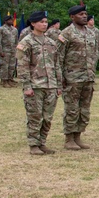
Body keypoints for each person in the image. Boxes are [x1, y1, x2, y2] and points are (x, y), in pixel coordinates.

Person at [16, 11, 62, 155]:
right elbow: (22, 66)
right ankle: (33, 144)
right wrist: (27, 86)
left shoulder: (51, 42)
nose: (44, 24)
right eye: (41, 22)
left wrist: (59, 85)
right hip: (35, 85)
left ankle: (42, 142)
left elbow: (57, 64)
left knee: (47, 117)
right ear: (33, 24)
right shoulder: (26, 42)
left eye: (46, 22)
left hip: (51, 85)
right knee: (35, 116)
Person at [57, 4, 99, 150]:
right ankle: (69, 138)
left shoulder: (93, 33)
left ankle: (78, 136)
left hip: (88, 77)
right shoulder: (66, 33)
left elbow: (96, 53)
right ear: (72, 17)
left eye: (85, 14)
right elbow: (59, 57)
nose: (84, 16)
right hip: (72, 77)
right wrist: (61, 77)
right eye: (80, 14)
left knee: (84, 109)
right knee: (72, 108)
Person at [0, 15, 18, 87]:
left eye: (12, 20)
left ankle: (10, 79)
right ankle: (4, 81)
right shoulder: (1, 29)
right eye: (9, 20)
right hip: (4, 50)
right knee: (4, 66)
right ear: (5, 21)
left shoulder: (14, 30)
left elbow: (16, 41)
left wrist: (16, 49)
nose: (11, 21)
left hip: (13, 51)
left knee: (12, 66)